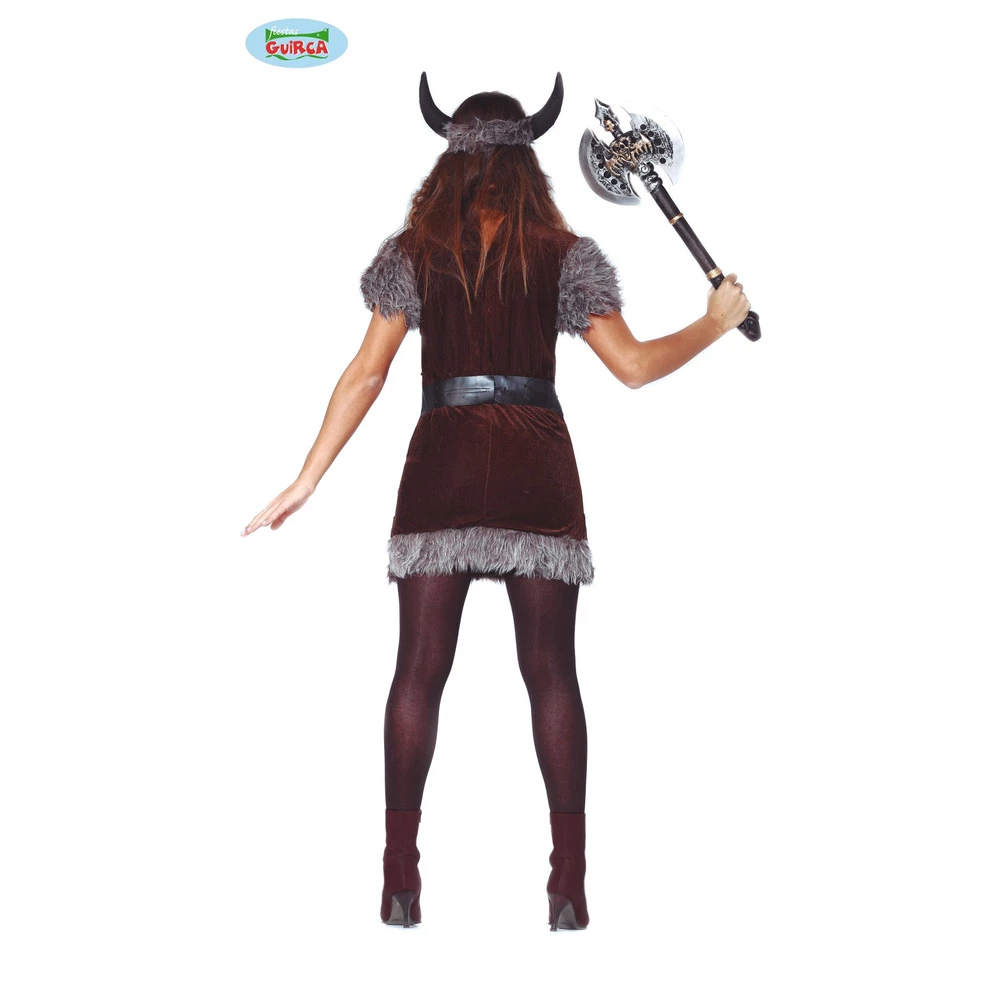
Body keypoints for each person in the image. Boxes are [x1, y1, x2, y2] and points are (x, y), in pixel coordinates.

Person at [241, 71, 750, 931]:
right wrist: (714, 321)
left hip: (441, 458)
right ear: (528, 165)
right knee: (551, 672)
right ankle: (569, 887)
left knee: (417, 671)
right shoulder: (563, 251)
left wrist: (308, 476)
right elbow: (632, 368)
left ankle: (399, 881)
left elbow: (366, 373)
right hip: (533, 462)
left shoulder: (416, 250)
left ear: (449, 161)